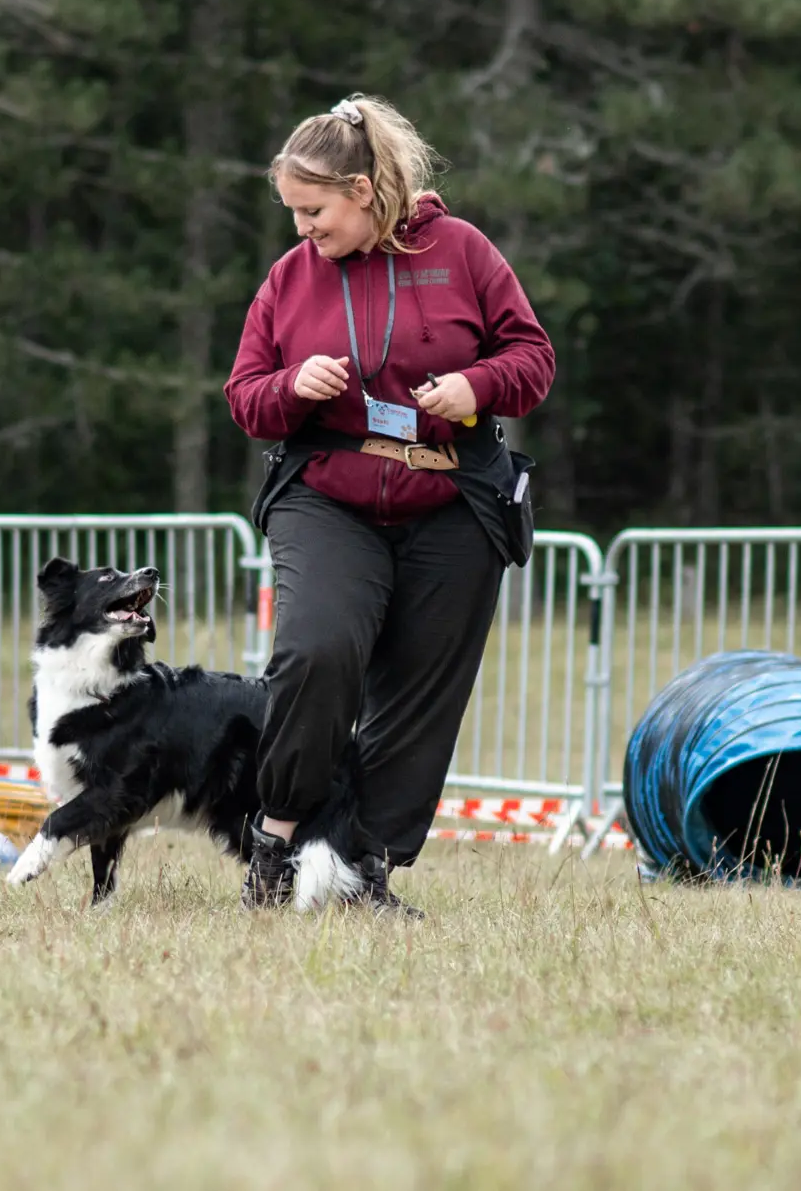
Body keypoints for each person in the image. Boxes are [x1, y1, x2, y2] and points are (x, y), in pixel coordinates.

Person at [223, 93, 556, 916]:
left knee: (418, 692)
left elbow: (532, 358)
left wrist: (476, 386)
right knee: (316, 651)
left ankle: (364, 868)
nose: (302, 229)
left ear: (363, 191)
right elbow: (245, 397)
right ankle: (275, 839)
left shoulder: (465, 253)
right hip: (328, 498)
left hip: (452, 501)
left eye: (313, 210)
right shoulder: (288, 279)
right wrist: (292, 387)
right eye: (293, 213)